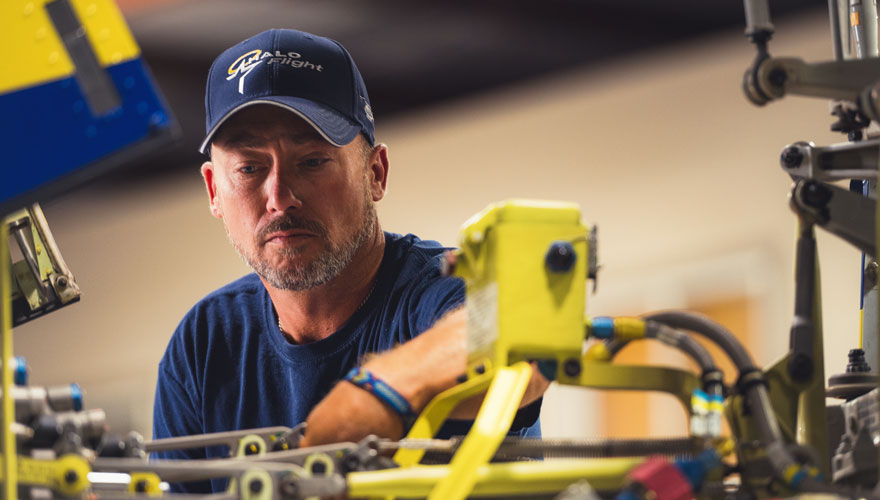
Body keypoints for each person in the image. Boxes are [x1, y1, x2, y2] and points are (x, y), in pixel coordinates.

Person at [151, 28, 548, 492]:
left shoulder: (438, 293)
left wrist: (377, 392)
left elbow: (524, 336)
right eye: (249, 168)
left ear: (374, 174)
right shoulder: (204, 345)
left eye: (313, 161)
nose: (280, 197)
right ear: (214, 190)